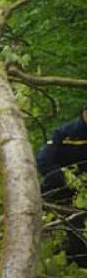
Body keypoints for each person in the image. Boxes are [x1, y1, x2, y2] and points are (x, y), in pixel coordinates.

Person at [35, 103, 87, 266]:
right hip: (60, 192)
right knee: (74, 234)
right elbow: (43, 162)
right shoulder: (64, 133)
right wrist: (65, 177)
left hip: (84, 193)